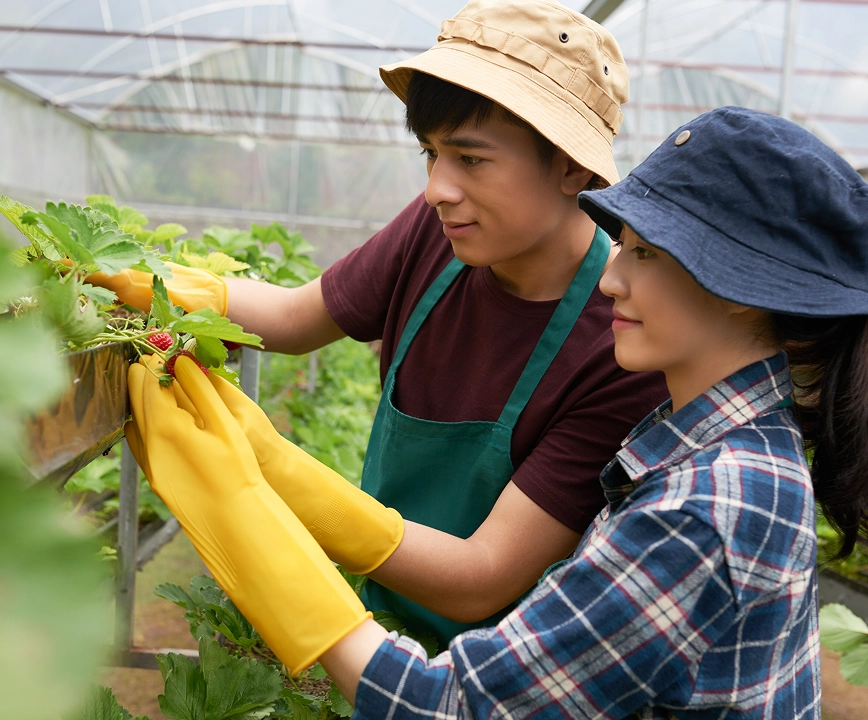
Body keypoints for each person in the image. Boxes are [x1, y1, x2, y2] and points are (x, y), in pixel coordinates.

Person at [126, 106, 868, 717]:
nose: (613, 276)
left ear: (739, 287)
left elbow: (443, 705)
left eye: (645, 254)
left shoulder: (709, 506)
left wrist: (245, 508)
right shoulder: (705, 444)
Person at [95, 0, 668, 646]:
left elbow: (484, 575)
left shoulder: (624, 339)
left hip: (507, 675)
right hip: (380, 624)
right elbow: (294, 316)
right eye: (430, 154)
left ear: (571, 166)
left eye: (470, 159)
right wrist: (143, 282)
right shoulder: (437, 234)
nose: (436, 189)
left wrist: (278, 471)